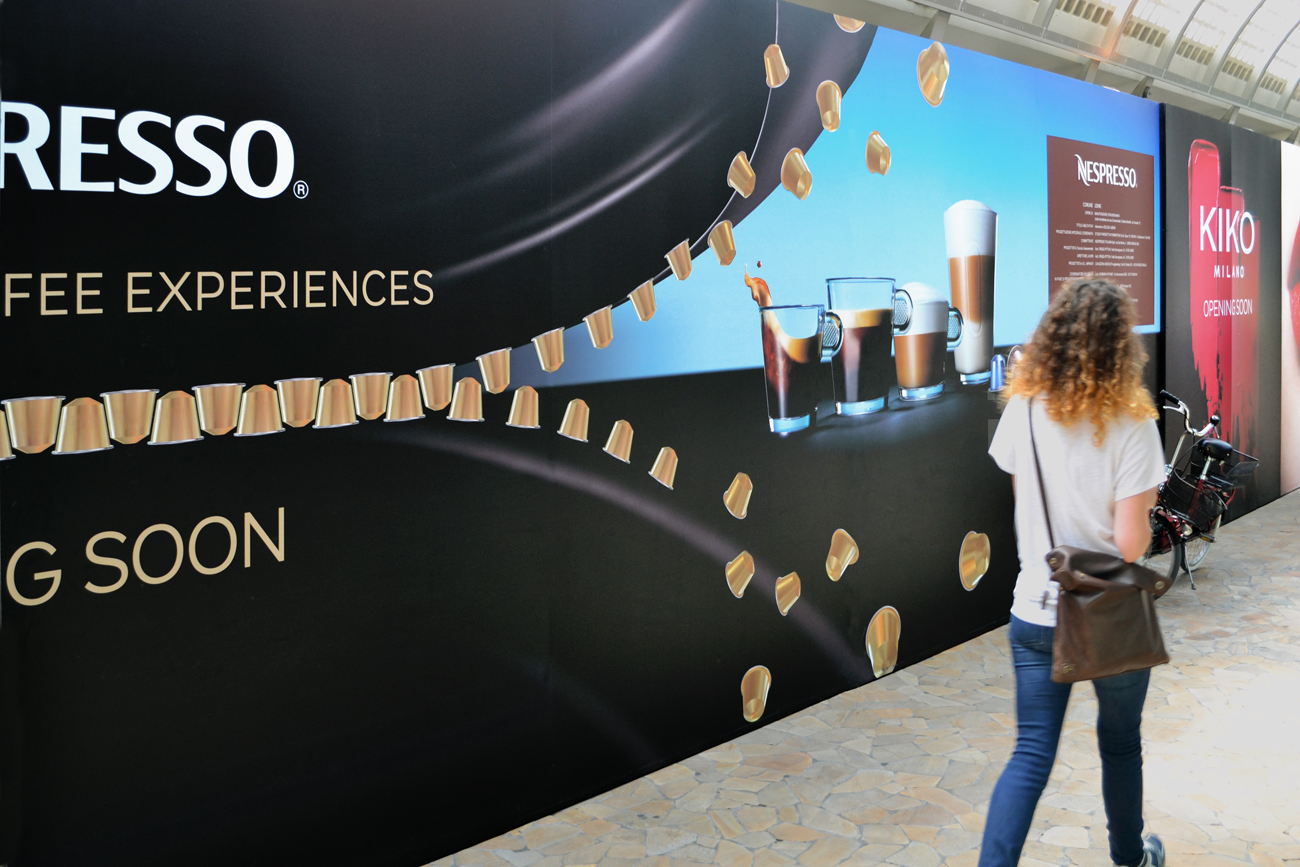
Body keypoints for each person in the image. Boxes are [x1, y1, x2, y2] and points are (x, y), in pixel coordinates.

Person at [981, 279, 1168, 867]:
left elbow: (1024, 501)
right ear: (1121, 347)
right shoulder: (1134, 423)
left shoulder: (1023, 410)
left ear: (1053, 337)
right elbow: (1130, 546)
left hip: (1035, 610)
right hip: (1109, 614)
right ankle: (1129, 858)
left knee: (1030, 754)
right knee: (1121, 743)